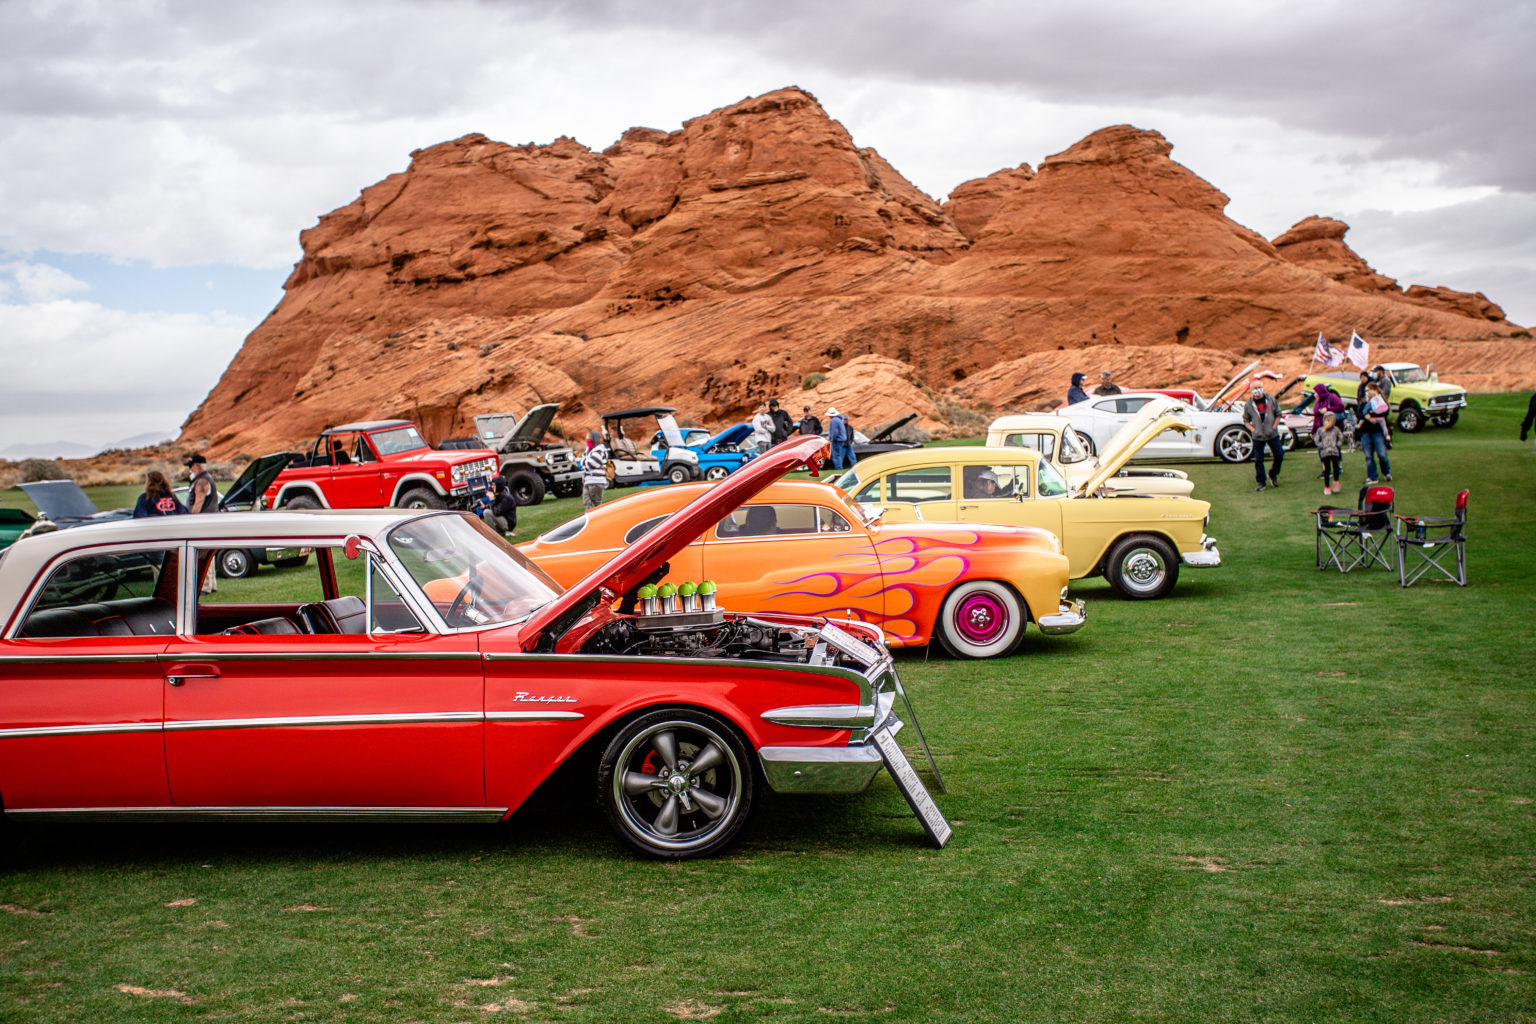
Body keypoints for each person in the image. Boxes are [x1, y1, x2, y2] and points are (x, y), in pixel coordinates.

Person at [1243, 379, 1284, 491]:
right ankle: (1261, 482)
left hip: (1272, 434)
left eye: (1259, 387)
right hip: (1258, 436)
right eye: (1255, 388)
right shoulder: (1248, 404)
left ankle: (1273, 473)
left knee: (1279, 455)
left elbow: (1278, 414)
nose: (1258, 390)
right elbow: (1246, 420)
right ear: (1251, 390)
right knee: (1258, 459)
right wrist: (1253, 429)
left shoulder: (1271, 400)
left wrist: (1273, 427)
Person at [1358, 381, 1393, 484]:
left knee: (1382, 454)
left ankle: (1386, 472)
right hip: (1366, 432)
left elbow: (1385, 412)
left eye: (1368, 390)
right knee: (1368, 456)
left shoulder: (1380, 400)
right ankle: (1372, 476)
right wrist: (1366, 416)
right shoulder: (1364, 402)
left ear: (1375, 390)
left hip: (1378, 431)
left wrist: (1371, 415)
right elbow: (1359, 413)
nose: (1366, 392)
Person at [1315, 412, 1344, 495]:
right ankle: (1327, 487)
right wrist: (1322, 446)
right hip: (1325, 452)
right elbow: (1317, 440)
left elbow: (1340, 438)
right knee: (1327, 469)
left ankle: (1336, 482)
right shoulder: (1321, 430)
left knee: (1336, 467)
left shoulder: (1336, 429)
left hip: (1334, 452)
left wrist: (1337, 445)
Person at [581, 434, 609, 511]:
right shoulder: (588, 450)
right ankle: (591, 519)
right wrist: (585, 461)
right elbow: (582, 461)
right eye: (586, 439)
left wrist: (585, 462)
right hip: (587, 480)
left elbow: (591, 464)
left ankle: (601, 519)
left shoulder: (599, 450)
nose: (587, 441)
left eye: (589, 439)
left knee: (597, 503)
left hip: (596, 481)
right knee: (586, 502)